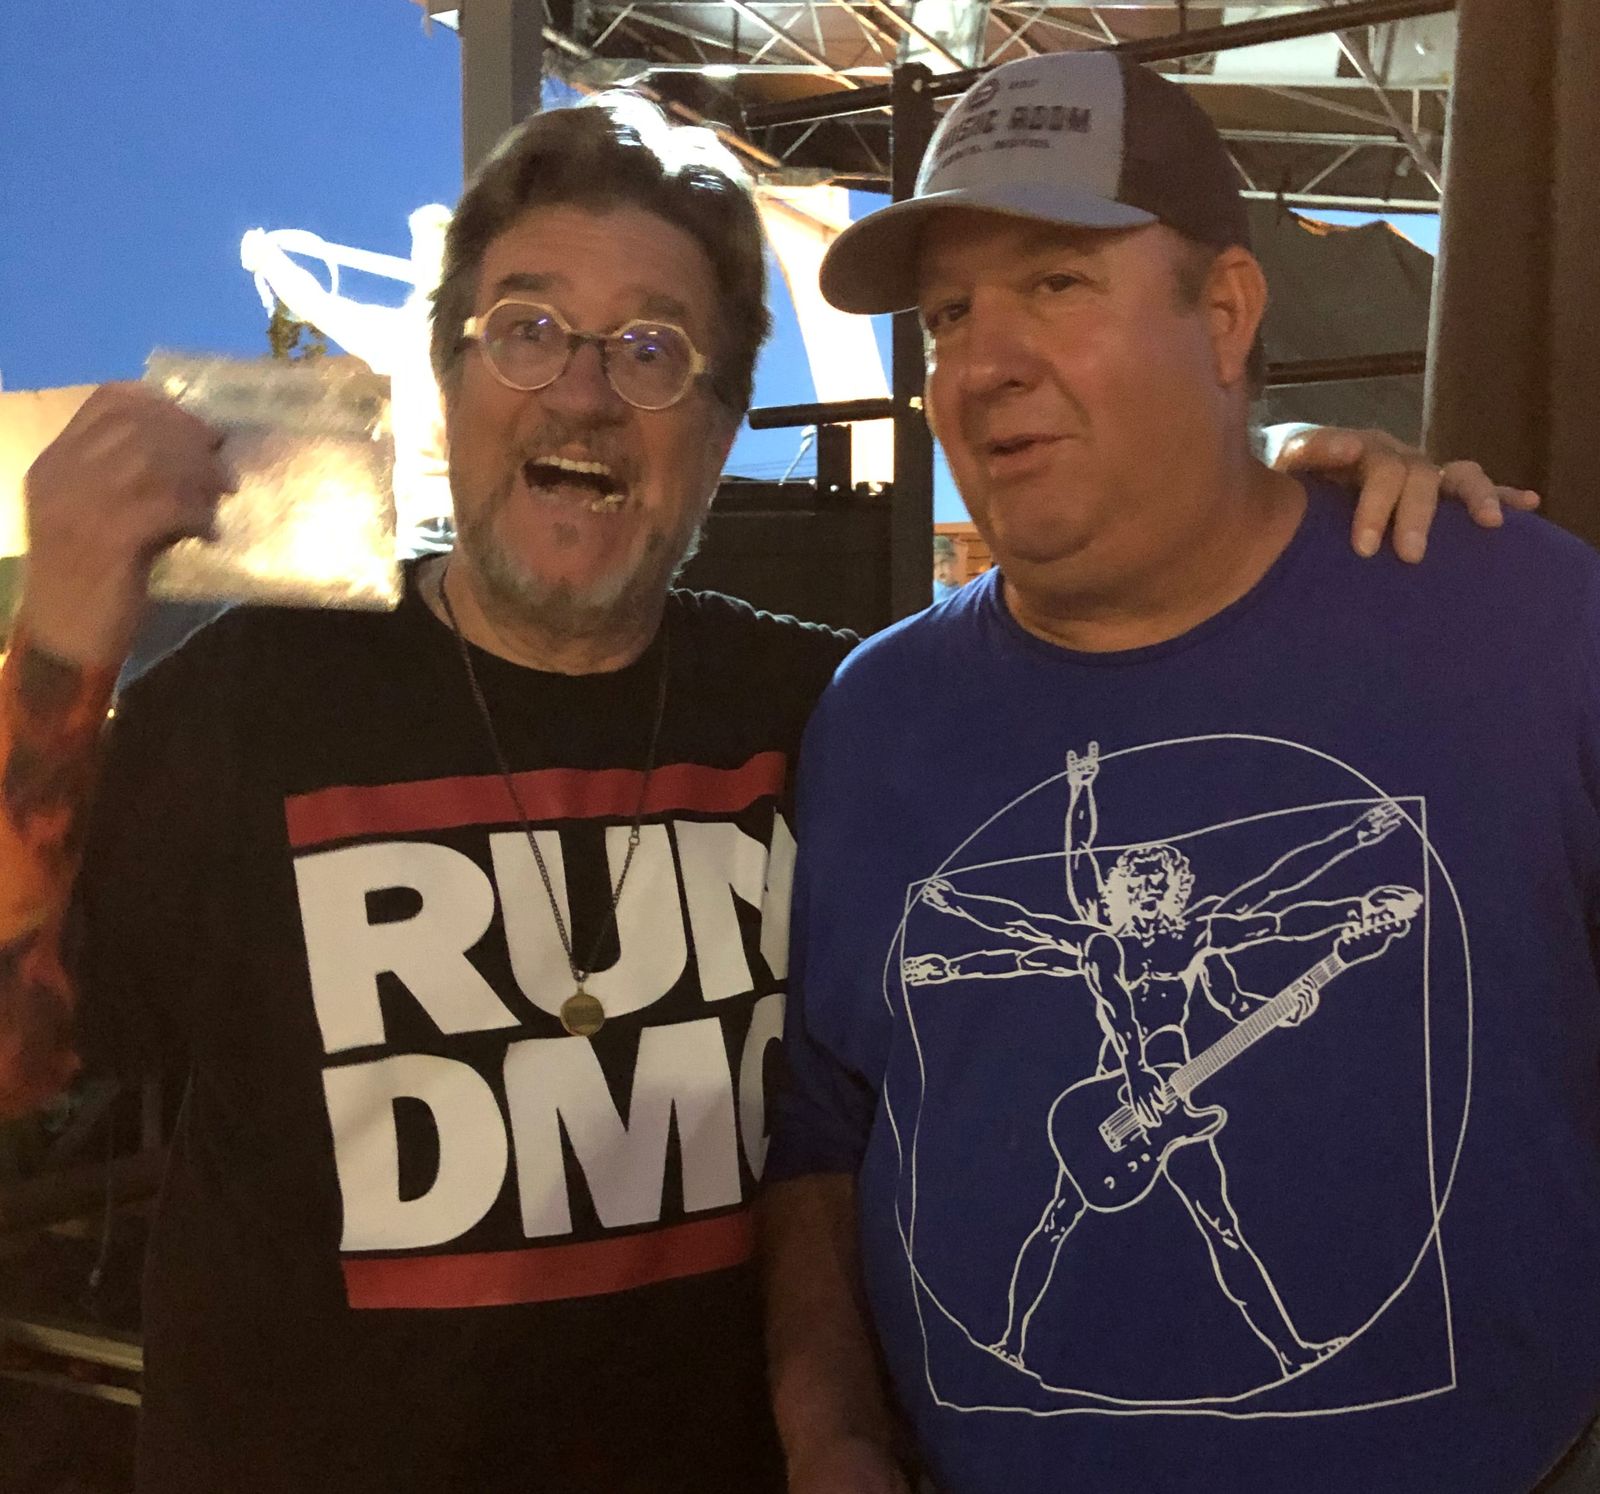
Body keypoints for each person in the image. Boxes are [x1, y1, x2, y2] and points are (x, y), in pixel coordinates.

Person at [0, 91, 1529, 1493]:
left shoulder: (836, 713)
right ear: (449, 380)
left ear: (722, 430)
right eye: (526, 328)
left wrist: (1292, 503)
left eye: (652, 349)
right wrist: (58, 637)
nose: (583, 392)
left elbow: (1118, 691)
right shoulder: (248, 703)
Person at [763, 50, 1600, 1494]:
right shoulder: (875, 710)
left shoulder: (1524, 621)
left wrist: (1350, 909)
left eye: (1056, 283)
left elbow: (1274, 900)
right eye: (949, 314)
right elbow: (828, 1124)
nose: (979, 362)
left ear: (1223, 314)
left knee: (1219, 1228)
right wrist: (826, 1434)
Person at [933, 533, 962, 602]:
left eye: (943, 562)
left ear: (954, 559)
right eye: (934, 565)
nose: (940, 569)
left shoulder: (963, 594)